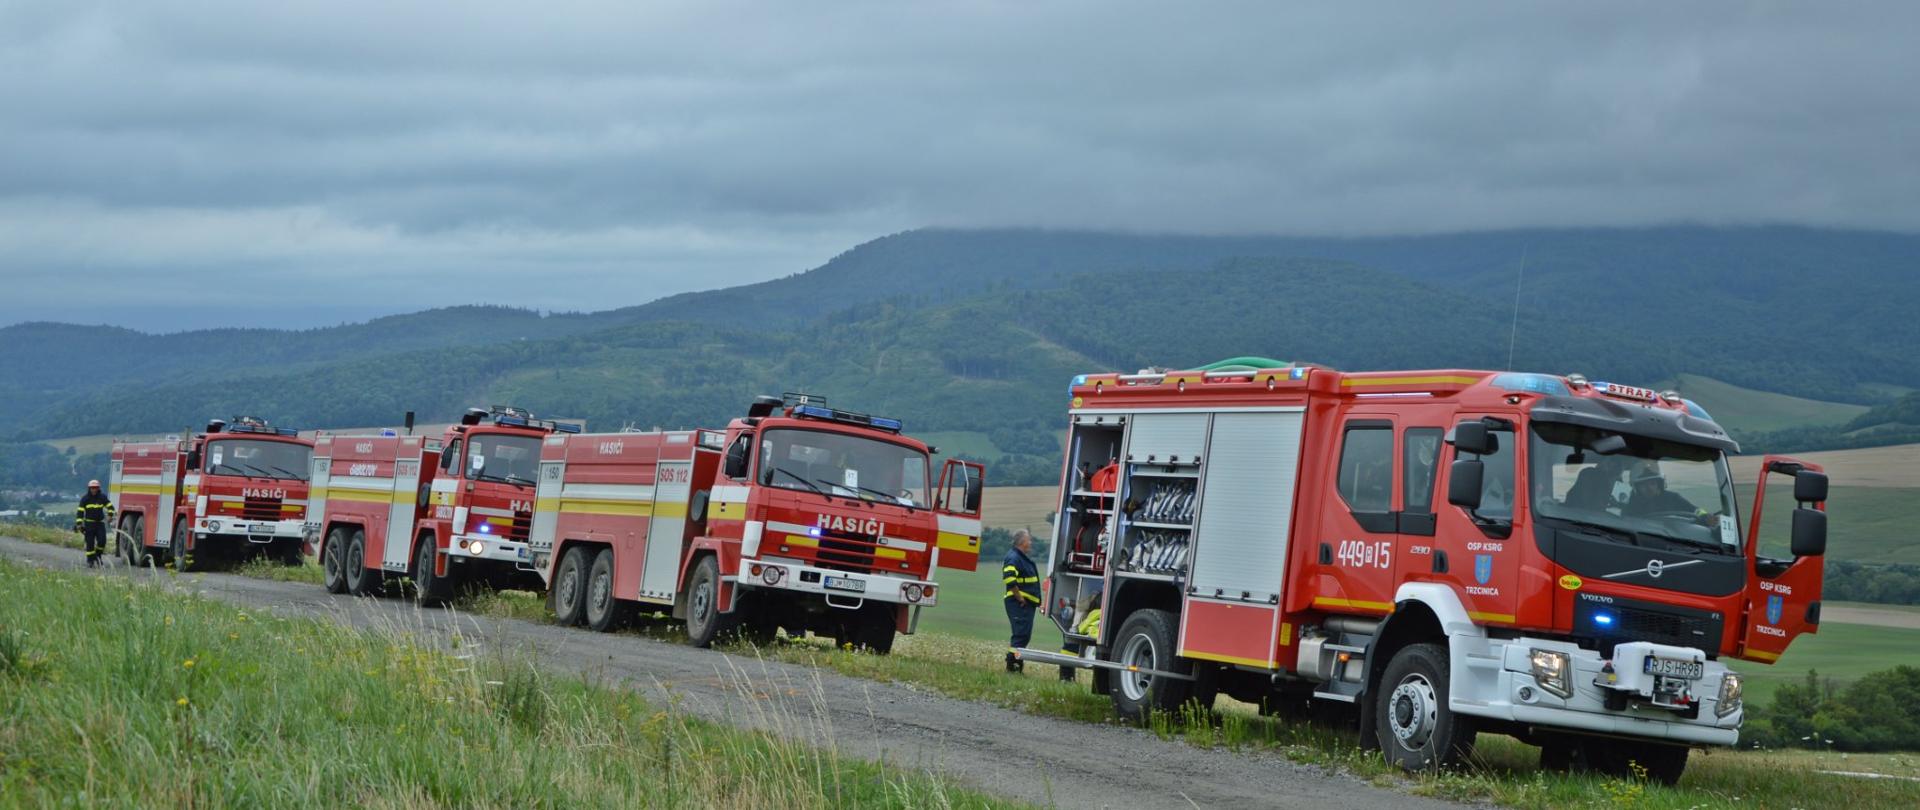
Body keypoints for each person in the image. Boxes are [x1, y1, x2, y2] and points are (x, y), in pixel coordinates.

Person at [1002, 529, 1042, 673]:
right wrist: (1020, 598)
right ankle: (1013, 667)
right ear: (1022, 542)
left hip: (1025, 604)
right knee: (1020, 635)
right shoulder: (1013, 557)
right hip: (1019, 603)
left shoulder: (1020, 557)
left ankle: (1016, 665)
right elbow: (1010, 579)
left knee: (1024, 635)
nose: (1030, 543)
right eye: (1029, 540)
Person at [1624, 463, 1698, 518]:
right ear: (1637, 488)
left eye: (1652, 483)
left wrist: (1705, 516)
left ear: (1659, 484)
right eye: (1643, 485)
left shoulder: (1673, 498)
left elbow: (1695, 510)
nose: (1649, 488)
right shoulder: (1632, 503)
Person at [75, 479, 115, 568]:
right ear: (89, 488)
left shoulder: (102, 497)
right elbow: (80, 512)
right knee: (90, 543)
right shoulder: (85, 499)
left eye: (95, 488)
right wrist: (79, 524)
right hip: (89, 524)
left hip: (100, 524)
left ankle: (98, 555)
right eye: (92, 488)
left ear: (98, 488)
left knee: (102, 541)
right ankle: (90, 560)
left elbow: (111, 507)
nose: (94, 490)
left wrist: (110, 515)